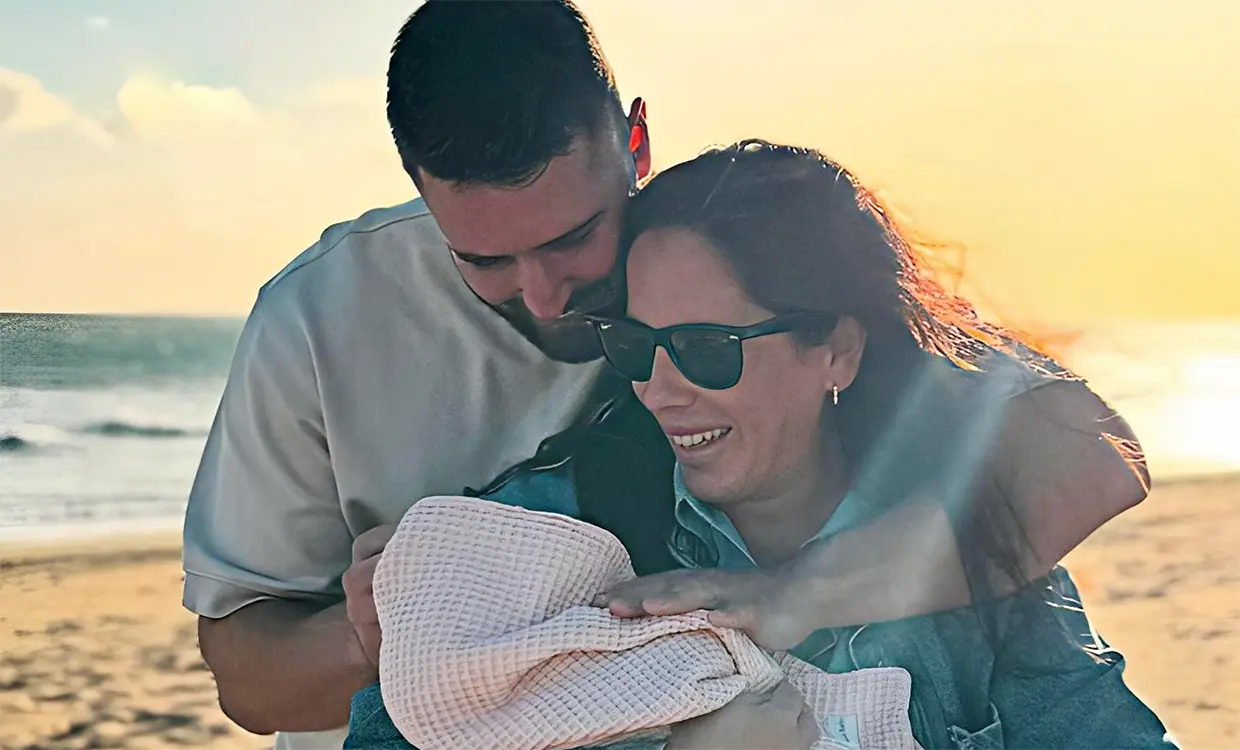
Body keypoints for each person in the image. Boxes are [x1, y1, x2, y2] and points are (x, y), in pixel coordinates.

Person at [182, 3, 1152, 748]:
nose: (549, 297)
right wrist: (406, 621)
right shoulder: (320, 316)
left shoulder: (715, 245)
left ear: (634, 146)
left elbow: (1092, 454)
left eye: (573, 240)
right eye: (483, 262)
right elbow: (243, 675)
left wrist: (802, 595)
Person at [346, 140, 1172, 749]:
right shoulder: (550, 538)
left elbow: (1098, 455)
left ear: (838, 351)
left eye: (709, 349)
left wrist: (796, 596)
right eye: (634, 346)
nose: (659, 389)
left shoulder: (971, 552)